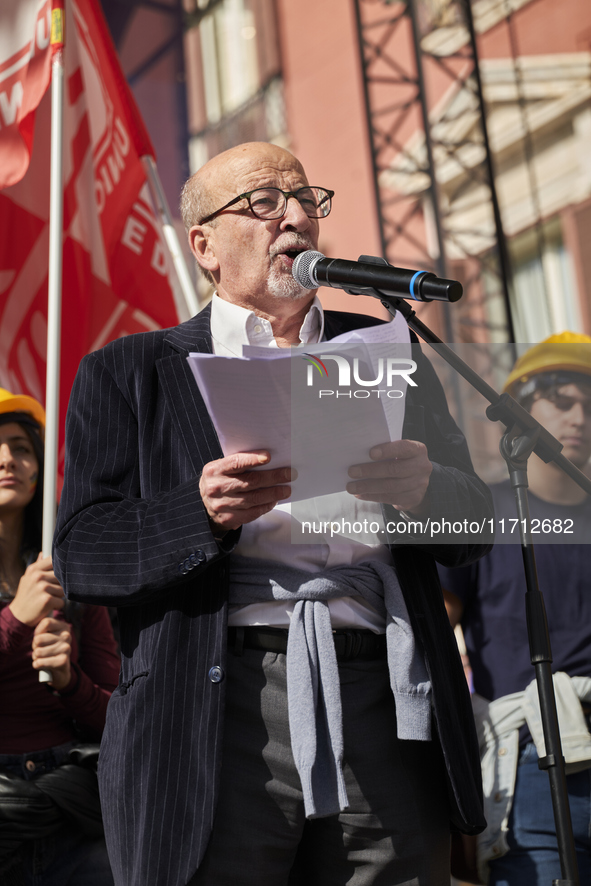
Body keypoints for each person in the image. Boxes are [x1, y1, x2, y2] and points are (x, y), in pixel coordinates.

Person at [53, 141, 492, 886]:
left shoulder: (386, 350)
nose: (293, 216)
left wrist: (425, 490)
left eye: (305, 199)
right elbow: (84, 554)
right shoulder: (130, 372)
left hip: (383, 699)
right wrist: (198, 512)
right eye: (262, 202)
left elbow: (472, 525)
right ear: (205, 246)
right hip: (214, 709)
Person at [439, 332, 591, 885]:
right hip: (528, 760)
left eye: (589, 405)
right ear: (521, 409)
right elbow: (432, 637)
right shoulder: (482, 511)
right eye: (562, 399)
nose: (579, 417)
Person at [0, 388, 120, 885]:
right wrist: (16, 620)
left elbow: (116, 720)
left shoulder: (70, 578)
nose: (7, 458)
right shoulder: (34, 600)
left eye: (22, 447)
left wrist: (71, 684)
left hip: (71, 806)